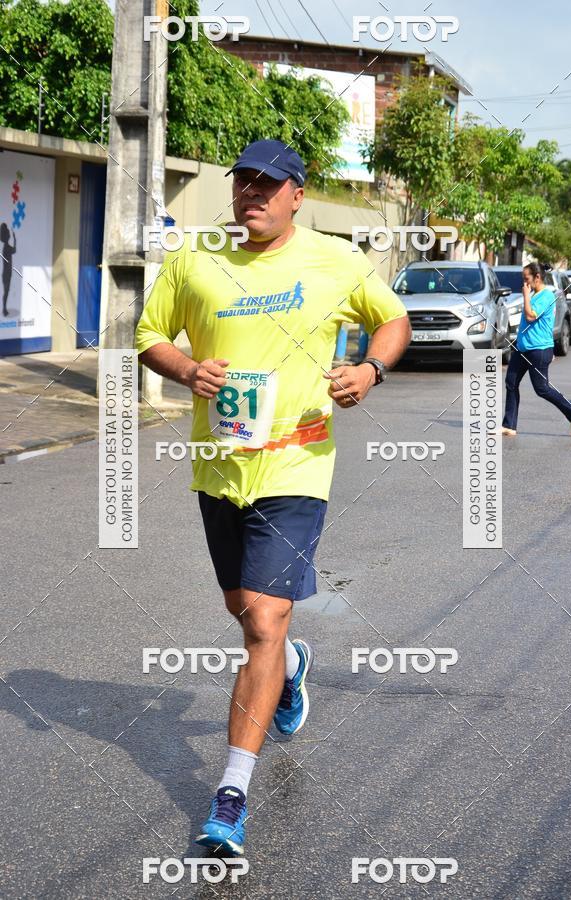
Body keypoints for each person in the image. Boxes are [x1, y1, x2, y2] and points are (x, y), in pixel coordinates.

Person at [135, 139, 411, 856]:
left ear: (297, 192)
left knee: (264, 617)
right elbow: (147, 335)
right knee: (244, 611)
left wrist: (371, 370)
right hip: (219, 469)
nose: (252, 195)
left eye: (268, 185)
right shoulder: (197, 260)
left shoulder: (335, 259)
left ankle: (231, 795)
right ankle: (290, 670)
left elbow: (393, 318)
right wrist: (189, 368)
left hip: (297, 465)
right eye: (243, 184)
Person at [501, 262, 571, 438]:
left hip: (538, 350)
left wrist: (525, 296)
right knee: (511, 382)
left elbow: (531, 317)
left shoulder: (546, 296)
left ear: (537, 277)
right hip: (523, 349)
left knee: (542, 389)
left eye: (526, 279)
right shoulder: (534, 294)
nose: (524, 282)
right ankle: (509, 425)